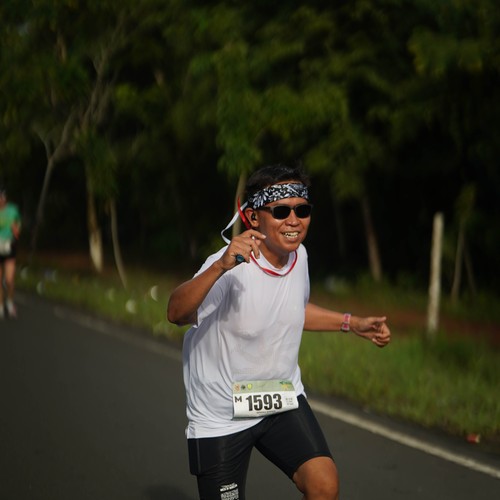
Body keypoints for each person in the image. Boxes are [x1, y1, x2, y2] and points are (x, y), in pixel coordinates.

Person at [167, 164, 391, 500]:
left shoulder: (299, 256)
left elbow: (292, 310)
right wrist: (220, 266)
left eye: (302, 210)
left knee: (324, 484)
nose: (294, 221)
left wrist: (352, 323)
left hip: (281, 399)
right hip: (222, 414)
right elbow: (176, 313)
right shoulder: (231, 266)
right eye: (281, 211)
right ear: (254, 218)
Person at [0, 186, 21, 319]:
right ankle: (0, 306)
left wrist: (16, 231)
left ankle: (10, 302)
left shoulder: (13, 210)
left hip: (9, 246)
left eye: (2, 197)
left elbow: (18, 226)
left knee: (9, 279)